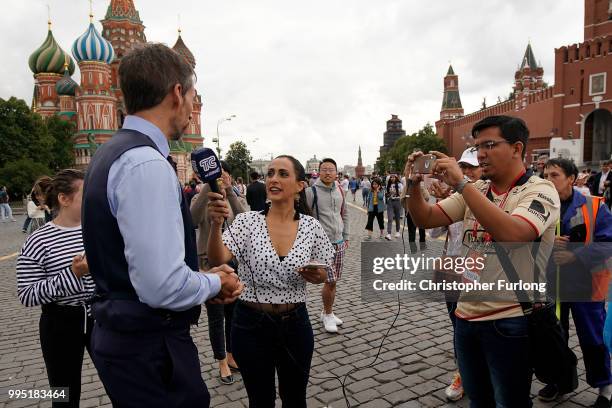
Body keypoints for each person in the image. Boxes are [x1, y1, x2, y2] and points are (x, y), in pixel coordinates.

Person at [81, 43, 242, 407]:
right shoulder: (145, 164)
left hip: (125, 336)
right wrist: (216, 280)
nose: (191, 108)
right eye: (192, 95)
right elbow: (161, 286)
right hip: (151, 347)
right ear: (177, 93)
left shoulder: (112, 152)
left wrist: (201, 282)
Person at [405, 115, 560, 407]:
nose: (482, 154)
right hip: (465, 315)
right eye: (478, 147)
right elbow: (425, 218)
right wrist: (413, 185)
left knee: (509, 403)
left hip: (510, 319)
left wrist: (462, 184)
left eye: (489, 144)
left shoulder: (539, 190)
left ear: (517, 148)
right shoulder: (477, 190)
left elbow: (514, 233)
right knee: (478, 400)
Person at [207, 155, 335, 408]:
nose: (274, 179)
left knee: (295, 399)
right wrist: (215, 225)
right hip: (250, 325)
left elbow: (323, 273)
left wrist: (315, 275)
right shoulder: (247, 221)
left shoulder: (312, 227)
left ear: (300, 185)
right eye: (270, 173)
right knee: (260, 401)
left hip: (295, 325)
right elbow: (218, 258)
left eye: (283, 174)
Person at [16, 169, 93, 408]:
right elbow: (27, 294)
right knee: (64, 394)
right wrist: (73, 274)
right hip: (60, 323)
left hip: (101, 316)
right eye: (85, 195)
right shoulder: (38, 240)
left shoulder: (97, 230)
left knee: (122, 384)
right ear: (64, 198)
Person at [540, 158, 612, 407]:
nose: (548, 180)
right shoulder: (539, 207)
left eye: (554, 175)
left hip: (586, 285)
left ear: (571, 178)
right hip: (552, 284)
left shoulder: (594, 206)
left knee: (593, 338)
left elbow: (607, 243)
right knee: (554, 338)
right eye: (545, 175)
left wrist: (574, 253)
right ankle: (559, 381)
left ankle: (605, 390)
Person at [190, 161, 246, 385]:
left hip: (234, 262)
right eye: (217, 176)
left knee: (233, 314)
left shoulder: (235, 198)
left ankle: (232, 355)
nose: (221, 179)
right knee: (216, 317)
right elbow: (191, 220)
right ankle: (221, 361)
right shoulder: (201, 199)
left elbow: (245, 219)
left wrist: (230, 193)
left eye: (225, 176)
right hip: (208, 263)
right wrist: (208, 187)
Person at [305, 158, 349, 334]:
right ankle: (328, 314)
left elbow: (344, 213)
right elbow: (304, 217)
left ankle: (326, 312)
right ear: (319, 172)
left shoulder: (339, 189)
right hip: (322, 244)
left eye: (331, 169)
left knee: (334, 280)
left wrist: (345, 236)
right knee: (329, 281)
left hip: (339, 241)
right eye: (324, 169)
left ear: (336, 172)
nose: (328, 172)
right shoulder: (311, 191)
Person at [385, 174, 403, 240]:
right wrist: (388, 195)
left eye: (393, 177)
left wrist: (397, 193)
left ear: (396, 178)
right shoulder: (388, 185)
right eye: (391, 177)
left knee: (397, 218)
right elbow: (386, 193)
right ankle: (388, 234)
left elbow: (402, 192)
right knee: (390, 218)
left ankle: (397, 231)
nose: (392, 178)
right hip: (390, 202)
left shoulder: (399, 185)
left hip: (397, 201)